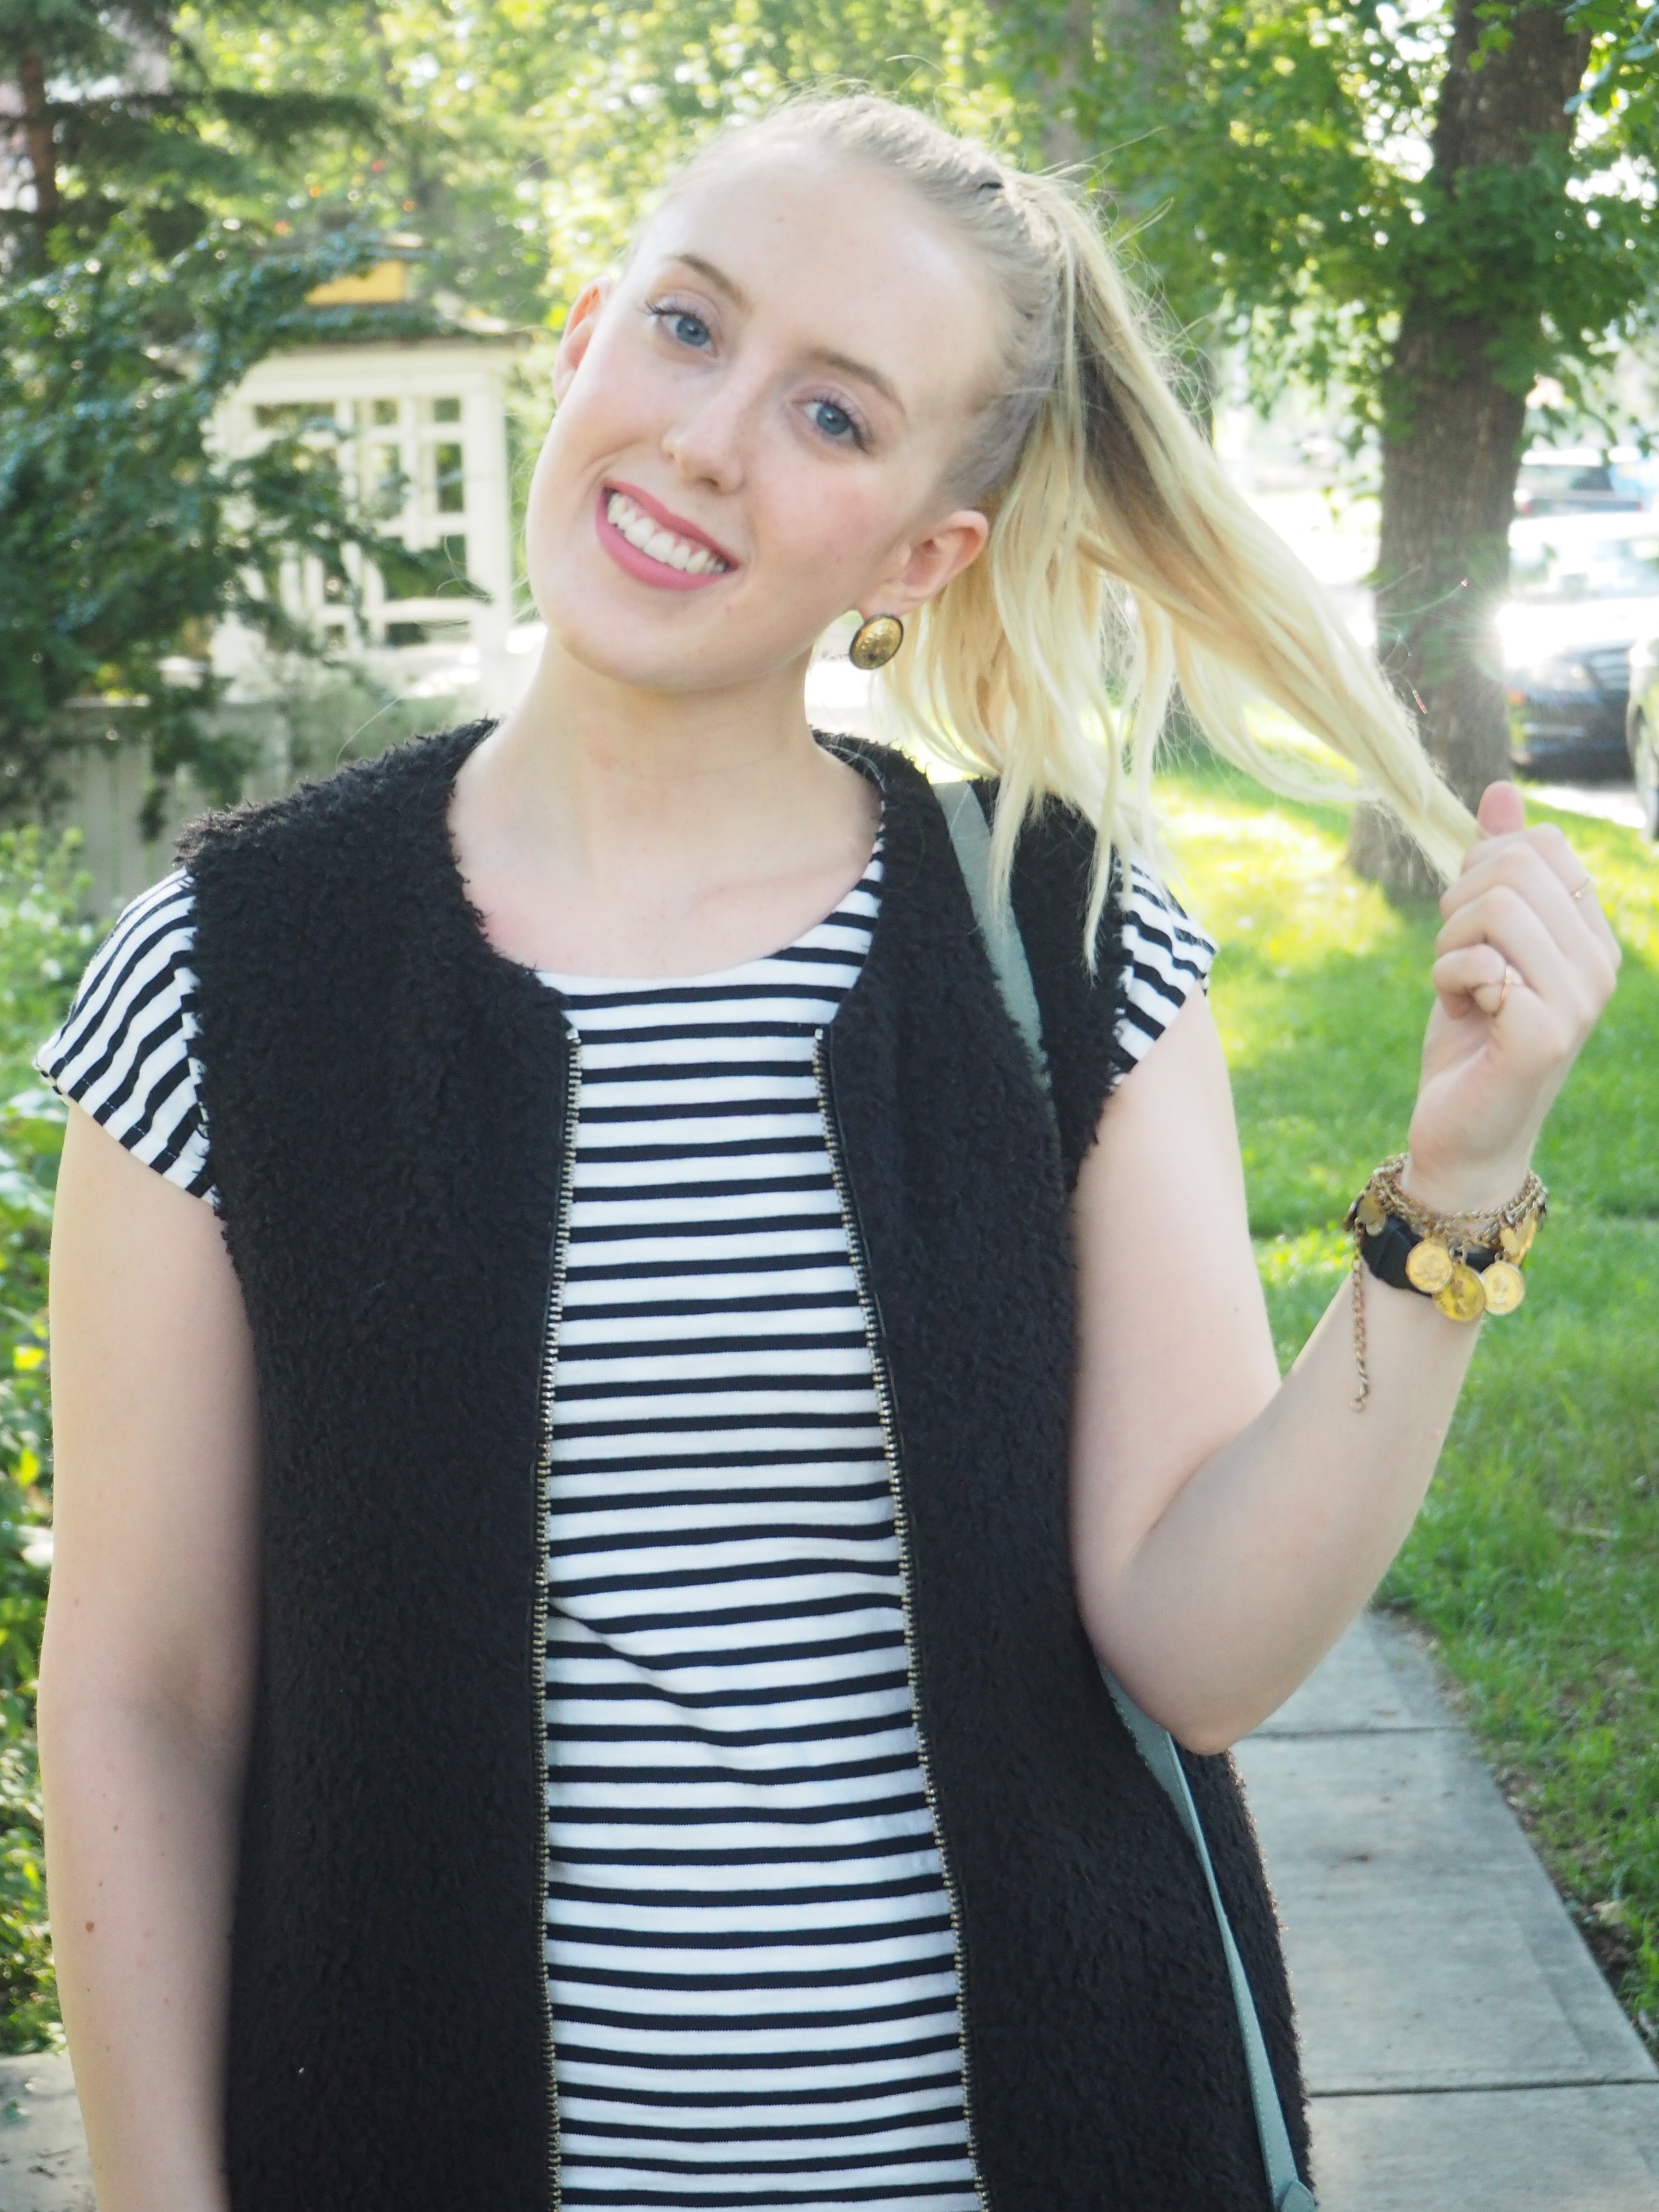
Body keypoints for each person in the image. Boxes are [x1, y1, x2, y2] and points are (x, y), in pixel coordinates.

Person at [35, 93, 1618, 2212]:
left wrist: (1456, 1188)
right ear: (586, 337)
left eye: (837, 419)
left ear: (920, 558)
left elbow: (1199, 1641)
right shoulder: (226, 976)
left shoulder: (1061, 943)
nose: (708, 437)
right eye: (687, 330)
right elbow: (144, 1691)